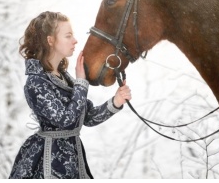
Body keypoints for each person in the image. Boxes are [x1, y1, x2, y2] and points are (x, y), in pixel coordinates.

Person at [9, 11, 131, 179]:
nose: (75, 41)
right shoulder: (36, 83)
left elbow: (86, 117)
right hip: (48, 163)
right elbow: (66, 121)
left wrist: (116, 101)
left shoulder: (64, 77)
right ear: (50, 40)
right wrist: (81, 82)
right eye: (68, 36)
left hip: (74, 160)